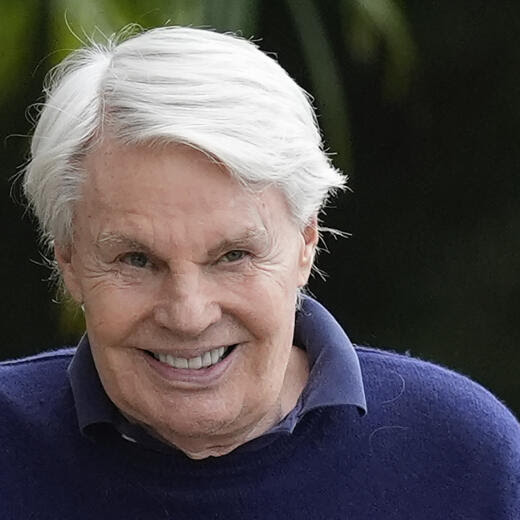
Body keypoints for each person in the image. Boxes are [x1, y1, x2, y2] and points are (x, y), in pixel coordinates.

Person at [1, 26, 519, 519]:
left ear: (305, 244)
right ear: (67, 260)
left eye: (233, 257)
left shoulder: (465, 456)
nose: (189, 315)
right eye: (137, 260)